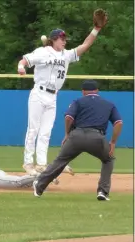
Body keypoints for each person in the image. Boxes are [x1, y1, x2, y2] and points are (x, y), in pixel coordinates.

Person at [18, 15, 107, 176]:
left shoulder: (66, 55)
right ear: (53, 40)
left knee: (46, 132)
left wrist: (96, 30)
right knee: (33, 130)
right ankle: (28, 163)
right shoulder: (42, 52)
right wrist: (21, 67)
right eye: (61, 38)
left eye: (65, 38)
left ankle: (42, 164)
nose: (64, 41)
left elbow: (85, 45)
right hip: (39, 92)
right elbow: (25, 60)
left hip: (52, 96)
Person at [32, 80, 123, 201]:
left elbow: (69, 117)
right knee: (108, 160)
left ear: (83, 92)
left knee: (61, 160)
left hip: (76, 136)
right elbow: (118, 123)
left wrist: (67, 134)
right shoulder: (109, 104)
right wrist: (113, 142)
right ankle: (102, 191)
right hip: (97, 137)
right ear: (97, 91)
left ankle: (39, 185)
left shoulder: (78, 101)